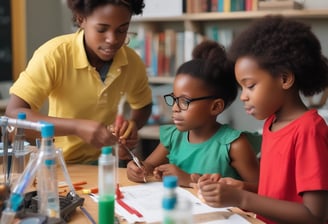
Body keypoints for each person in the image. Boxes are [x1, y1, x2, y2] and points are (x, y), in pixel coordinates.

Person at [194, 16, 328, 224]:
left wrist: (242, 198)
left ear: (284, 79)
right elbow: (279, 194)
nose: (243, 96)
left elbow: (314, 215)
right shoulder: (271, 123)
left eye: (251, 85)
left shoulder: (308, 130)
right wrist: (239, 188)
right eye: (241, 88)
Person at [5, 0, 152, 164]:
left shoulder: (132, 61)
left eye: (122, 30)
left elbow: (144, 105)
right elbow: (14, 115)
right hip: (60, 164)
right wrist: (76, 127)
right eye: (102, 29)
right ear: (81, 19)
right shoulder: (54, 55)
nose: (112, 39)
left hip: (107, 162)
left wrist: (133, 125)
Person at [127, 40, 260, 189]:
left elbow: (261, 189)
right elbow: (149, 166)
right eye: (175, 99)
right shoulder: (174, 136)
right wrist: (138, 169)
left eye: (184, 101)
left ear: (215, 107)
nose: (175, 108)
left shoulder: (234, 145)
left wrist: (188, 179)